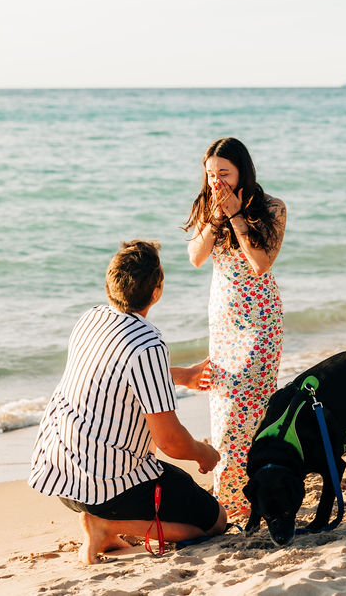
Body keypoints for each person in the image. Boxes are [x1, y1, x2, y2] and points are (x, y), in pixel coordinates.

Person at [28, 240, 227, 564]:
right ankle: (106, 526)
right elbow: (170, 442)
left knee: (182, 494)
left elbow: (117, 374)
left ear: (110, 284)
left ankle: (105, 522)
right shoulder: (148, 343)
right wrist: (203, 453)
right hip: (106, 485)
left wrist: (182, 375)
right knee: (214, 521)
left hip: (61, 473)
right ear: (157, 290)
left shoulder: (91, 319)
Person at [184, 137, 287, 518]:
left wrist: (237, 216)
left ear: (243, 171)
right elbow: (196, 258)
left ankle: (255, 492)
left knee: (254, 408)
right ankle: (230, 500)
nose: (217, 182)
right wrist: (215, 217)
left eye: (224, 173)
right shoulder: (206, 206)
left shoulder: (272, 208)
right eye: (211, 174)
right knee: (225, 406)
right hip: (224, 319)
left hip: (261, 319)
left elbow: (261, 262)